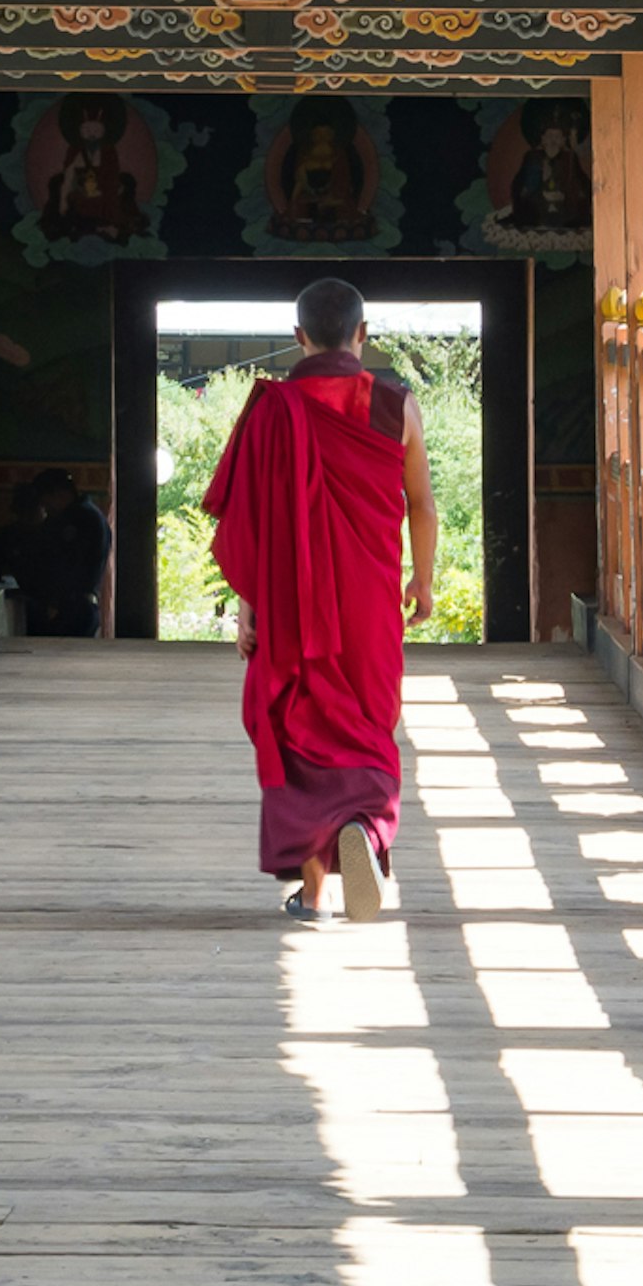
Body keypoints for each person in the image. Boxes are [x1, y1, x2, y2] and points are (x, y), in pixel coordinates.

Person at [200, 277, 440, 922]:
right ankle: (366, 825)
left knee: (300, 729)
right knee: (367, 724)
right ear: (363, 336)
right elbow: (421, 502)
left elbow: (248, 520)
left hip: (292, 604)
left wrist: (248, 603)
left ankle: (315, 893)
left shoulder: (271, 410)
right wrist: (422, 579)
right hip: (368, 604)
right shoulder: (396, 406)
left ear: (298, 336)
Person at [5, 468, 109, 638]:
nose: (46, 509)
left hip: (71, 609)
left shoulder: (78, 520)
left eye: (46, 502)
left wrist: (52, 600)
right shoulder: (89, 514)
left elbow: (63, 566)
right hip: (79, 607)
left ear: (59, 494)